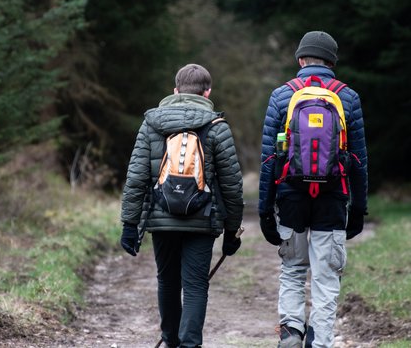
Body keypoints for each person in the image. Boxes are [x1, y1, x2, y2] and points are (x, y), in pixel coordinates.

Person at [119, 64, 245, 348]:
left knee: (167, 282)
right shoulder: (216, 127)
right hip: (202, 221)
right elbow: (232, 186)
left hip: (161, 217)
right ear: (207, 92)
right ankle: (190, 344)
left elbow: (137, 177)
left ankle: (170, 340)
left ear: (175, 91)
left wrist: (129, 225)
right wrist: (231, 231)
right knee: (196, 285)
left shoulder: (152, 123)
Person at [258, 31, 369, 348]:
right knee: (325, 275)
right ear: (332, 62)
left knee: (293, 269)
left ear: (300, 60)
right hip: (332, 199)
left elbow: (269, 159)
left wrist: (265, 210)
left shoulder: (282, 95)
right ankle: (320, 341)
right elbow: (359, 160)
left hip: (291, 197)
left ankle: (291, 332)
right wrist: (359, 209)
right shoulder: (348, 97)